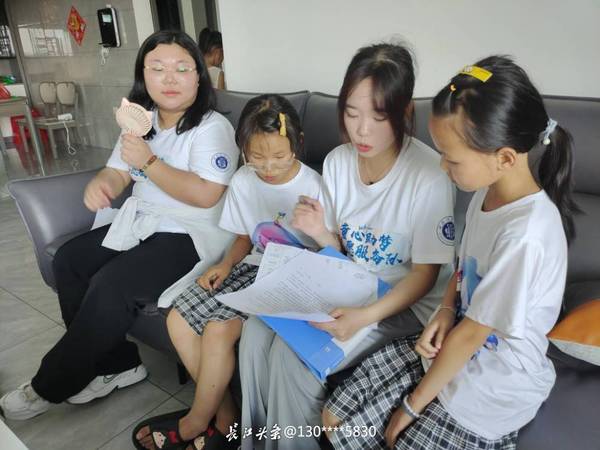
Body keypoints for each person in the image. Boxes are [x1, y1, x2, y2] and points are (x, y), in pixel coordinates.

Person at [321, 56, 579, 450]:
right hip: (453, 342)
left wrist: (412, 406)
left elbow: (474, 333)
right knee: (335, 419)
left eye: (451, 158)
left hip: (492, 381)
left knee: (391, 437)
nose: (442, 166)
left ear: (505, 158)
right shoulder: (485, 194)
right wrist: (444, 310)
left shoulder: (526, 236)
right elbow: (462, 271)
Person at [0, 30, 239, 420]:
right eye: (157, 68)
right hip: (144, 222)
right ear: (143, 75)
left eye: (182, 68)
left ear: (199, 76)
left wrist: (149, 162)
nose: (170, 78)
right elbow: (118, 171)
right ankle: (118, 366)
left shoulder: (212, 128)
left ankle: (49, 385)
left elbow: (206, 194)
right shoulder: (141, 122)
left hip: (191, 233)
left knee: (112, 284)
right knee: (70, 261)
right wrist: (104, 184)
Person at [239, 43, 456, 450]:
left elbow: (425, 276)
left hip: (402, 306)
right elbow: (342, 248)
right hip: (348, 285)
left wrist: (364, 317)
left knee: (293, 357)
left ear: (404, 112)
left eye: (378, 116)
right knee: (254, 331)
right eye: (352, 114)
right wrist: (320, 233)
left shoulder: (428, 176)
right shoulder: (338, 162)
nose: (362, 131)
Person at [133, 94, 322, 450]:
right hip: (252, 267)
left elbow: (325, 252)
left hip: (291, 279)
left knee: (217, 330)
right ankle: (224, 417)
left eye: (279, 156)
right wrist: (224, 264)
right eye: (256, 156)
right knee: (178, 318)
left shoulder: (313, 186)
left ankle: (194, 423)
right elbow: (244, 237)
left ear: (297, 143)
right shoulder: (244, 180)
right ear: (242, 148)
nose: (268, 167)